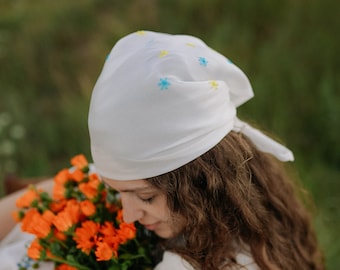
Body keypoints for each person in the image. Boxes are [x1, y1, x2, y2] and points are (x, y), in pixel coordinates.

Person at [88, 30, 324, 269]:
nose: (128, 216)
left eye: (146, 197)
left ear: (199, 179)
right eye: (118, 190)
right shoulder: (256, 207)